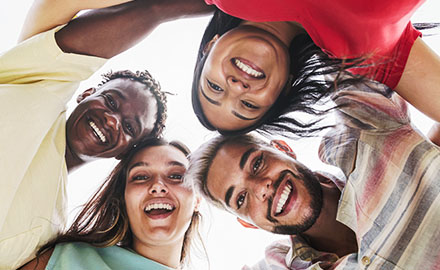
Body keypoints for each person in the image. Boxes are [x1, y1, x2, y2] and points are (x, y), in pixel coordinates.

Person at [0, 0, 212, 268]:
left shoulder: (50, 235)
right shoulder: (40, 89)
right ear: (86, 94)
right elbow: (61, 9)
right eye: (111, 101)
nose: (112, 120)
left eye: (129, 127)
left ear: (123, 153)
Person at [187, 79, 440, 269]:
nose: (261, 188)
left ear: (283, 148)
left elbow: (351, 38)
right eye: (241, 199)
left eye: (256, 164)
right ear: (246, 222)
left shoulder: (366, 135)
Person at [190, 1, 440, 144]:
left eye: (215, 87)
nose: (236, 87)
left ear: (210, 46)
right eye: (248, 105)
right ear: (285, 88)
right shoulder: (359, 50)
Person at [19, 138, 203, 270]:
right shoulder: (70, 257)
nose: (157, 186)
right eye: (140, 177)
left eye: (176, 176)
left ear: (197, 199)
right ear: (123, 200)